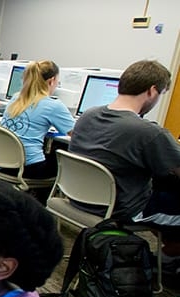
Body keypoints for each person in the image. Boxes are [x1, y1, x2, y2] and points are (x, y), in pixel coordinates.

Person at [68, 60, 180, 269]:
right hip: (120, 210)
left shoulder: (87, 115)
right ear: (152, 91)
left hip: (78, 198)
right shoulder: (149, 132)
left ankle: (168, 253)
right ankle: (166, 257)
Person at [0, 60, 75, 179]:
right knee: (64, 156)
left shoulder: (16, 97)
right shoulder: (53, 106)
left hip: (1, 162)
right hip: (27, 168)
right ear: (51, 81)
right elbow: (77, 135)